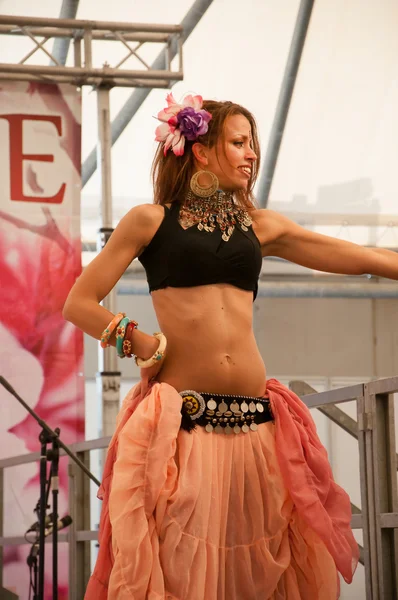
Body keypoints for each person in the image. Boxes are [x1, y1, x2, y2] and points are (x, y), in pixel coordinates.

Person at [64, 91, 396, 599]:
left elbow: (365, 257)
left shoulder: (261, 227)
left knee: (259, 573)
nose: (252, 154)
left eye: (252, 144)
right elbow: (80, 302)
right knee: (179, 569)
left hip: (256, 429)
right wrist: (142, 341)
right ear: (201, 150)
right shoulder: (149, 221)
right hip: (184, 430)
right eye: (239, 143)